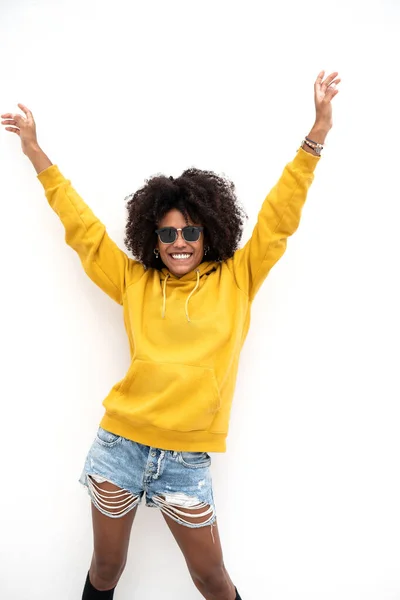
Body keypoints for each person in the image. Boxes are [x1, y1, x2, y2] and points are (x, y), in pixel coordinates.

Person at [1, 70, 340, 600]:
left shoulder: (237, 278)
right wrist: (34, 151)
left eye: (189, 231)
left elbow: (278, 218)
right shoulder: (135, 282)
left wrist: (316, 132)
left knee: (212, 579)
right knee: (106, 570)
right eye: (167, 233)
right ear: (153, 238)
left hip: (185, 461)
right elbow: (84, 231)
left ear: (209, 231)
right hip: (120, 446)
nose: (179, 242)